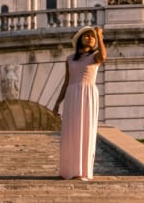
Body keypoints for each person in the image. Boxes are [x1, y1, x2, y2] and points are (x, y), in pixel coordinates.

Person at [52, 25, 106, 180]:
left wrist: (100, 36)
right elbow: (66, 82)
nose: (90, 38)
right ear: (80, 39)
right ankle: (69, 170)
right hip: (71, 95)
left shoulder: (95, 56)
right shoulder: (69, 59)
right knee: (71, 132)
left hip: (88, 95)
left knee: (86, 131)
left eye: (92, 36)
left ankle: (82, 171)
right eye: (86, 35)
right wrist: (57, 103)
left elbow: (104, 56)